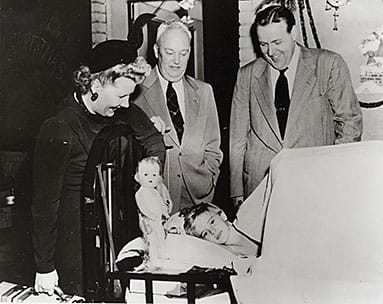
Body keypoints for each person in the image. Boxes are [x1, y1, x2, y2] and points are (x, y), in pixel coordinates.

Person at [31, 41, 166, 296]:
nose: (127, 105)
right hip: (75, 245)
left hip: (117, 232)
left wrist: (151, 177)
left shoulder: (123, 111)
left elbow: (154, 142)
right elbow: (44, 205)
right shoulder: (59, 126)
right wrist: (45, 267)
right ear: (95, 85)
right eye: (121, 96)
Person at [230, 5, 362, 208]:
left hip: (314, 180)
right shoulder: (246, 75)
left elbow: (349, 124)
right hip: (260, 185)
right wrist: (236, 191)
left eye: (277, 42)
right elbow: (238, 137)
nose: (271, 52)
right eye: (263, 44)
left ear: (294, 32)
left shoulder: (328, 64)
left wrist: (336, 175)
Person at [133, 20, 223, 213]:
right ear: (157, 51)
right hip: (156, 201)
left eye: (184, 53)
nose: (177, 61)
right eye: (170, 52)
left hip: (200, 199)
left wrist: (209, 179)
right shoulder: (136, 93)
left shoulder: (204, 91)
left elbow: (213, 148)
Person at [178, 203, 259, 257]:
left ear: (221, 214)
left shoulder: (250, 218)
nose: (212, 231)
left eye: (212, 222)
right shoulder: (231, 257)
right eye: (205, 233)